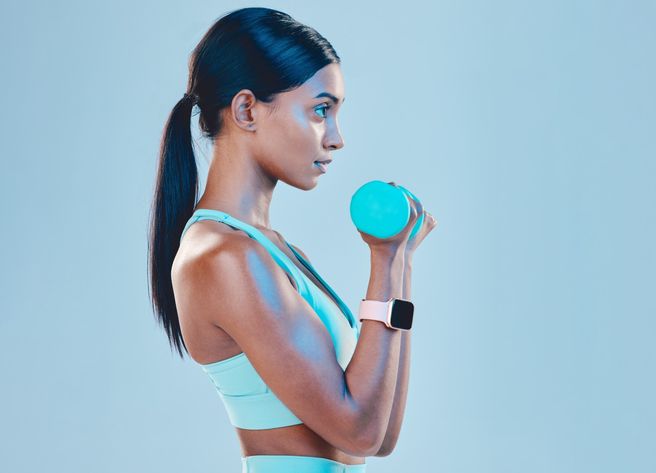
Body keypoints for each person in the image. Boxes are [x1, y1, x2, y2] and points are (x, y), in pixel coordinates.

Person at [146, 7, 437, 472]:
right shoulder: (224, 256)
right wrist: (383, 262)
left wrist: (399, 260)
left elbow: (379, 438)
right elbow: (357, 429)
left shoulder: (273, 252)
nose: (337, 138)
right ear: (246, 110)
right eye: (322, 110)